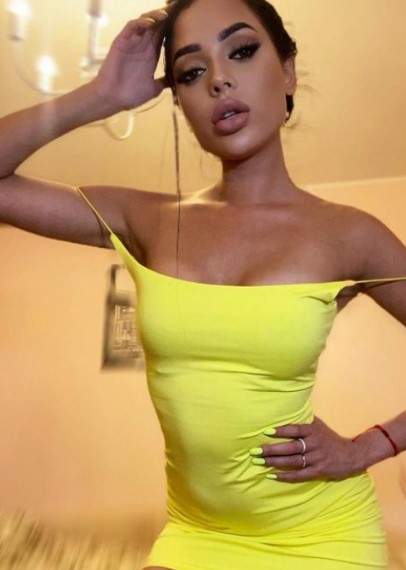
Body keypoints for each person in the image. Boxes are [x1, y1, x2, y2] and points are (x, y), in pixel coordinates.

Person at [0, 0, 405, 568]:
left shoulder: (351, 234)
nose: (219, 80)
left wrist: (371, 445)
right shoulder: (147, 219)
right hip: (197, 533)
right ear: (178, 101)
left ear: (288, 71)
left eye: (242, 51)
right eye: (191, 72)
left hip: (324, 536)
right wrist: (101, 96)